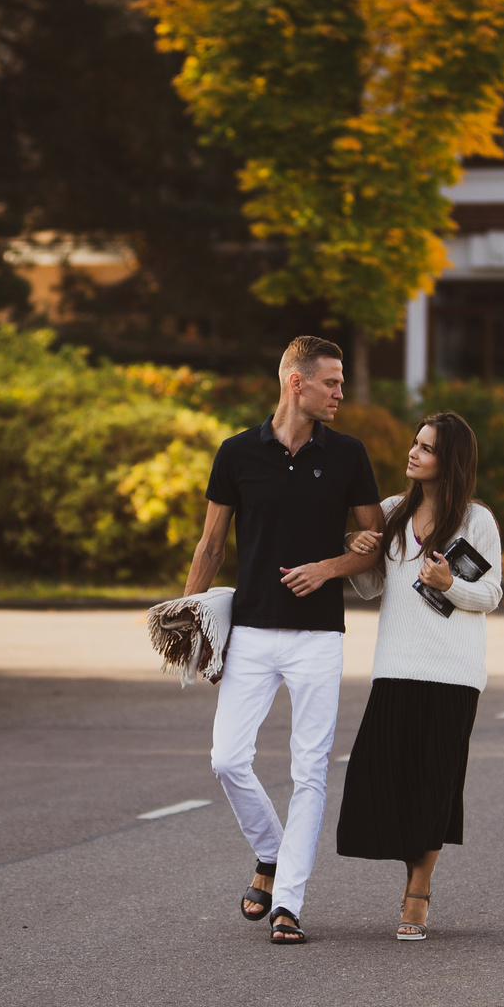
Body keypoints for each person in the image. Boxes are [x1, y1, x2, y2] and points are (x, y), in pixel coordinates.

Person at [183, 336, 385, 946]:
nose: (340, 393)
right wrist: (191, 624)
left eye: (342, 382)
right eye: (331, 382)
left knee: (310, 771)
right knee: (227, 759)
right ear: (296, 383)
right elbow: (212, 545)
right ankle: (270, 855)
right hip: (250, 633)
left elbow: (373, 541)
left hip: (318, 637)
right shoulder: (237, 453)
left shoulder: (348, 455)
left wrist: (327, 568)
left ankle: (288, 904)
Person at [333, 412, 501, 941]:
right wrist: (360, 553)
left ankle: (418, 892)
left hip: (453, 675)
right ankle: (412, 877)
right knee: (387, 781)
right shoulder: (391, 513)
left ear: (448, 461)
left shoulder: (477, 521)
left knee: (434, 786)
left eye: (426, 448)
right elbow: (372, 588)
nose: (413, 453)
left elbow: (491, 595)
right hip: (396, 668)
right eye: (415, 442)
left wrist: (450, 582)